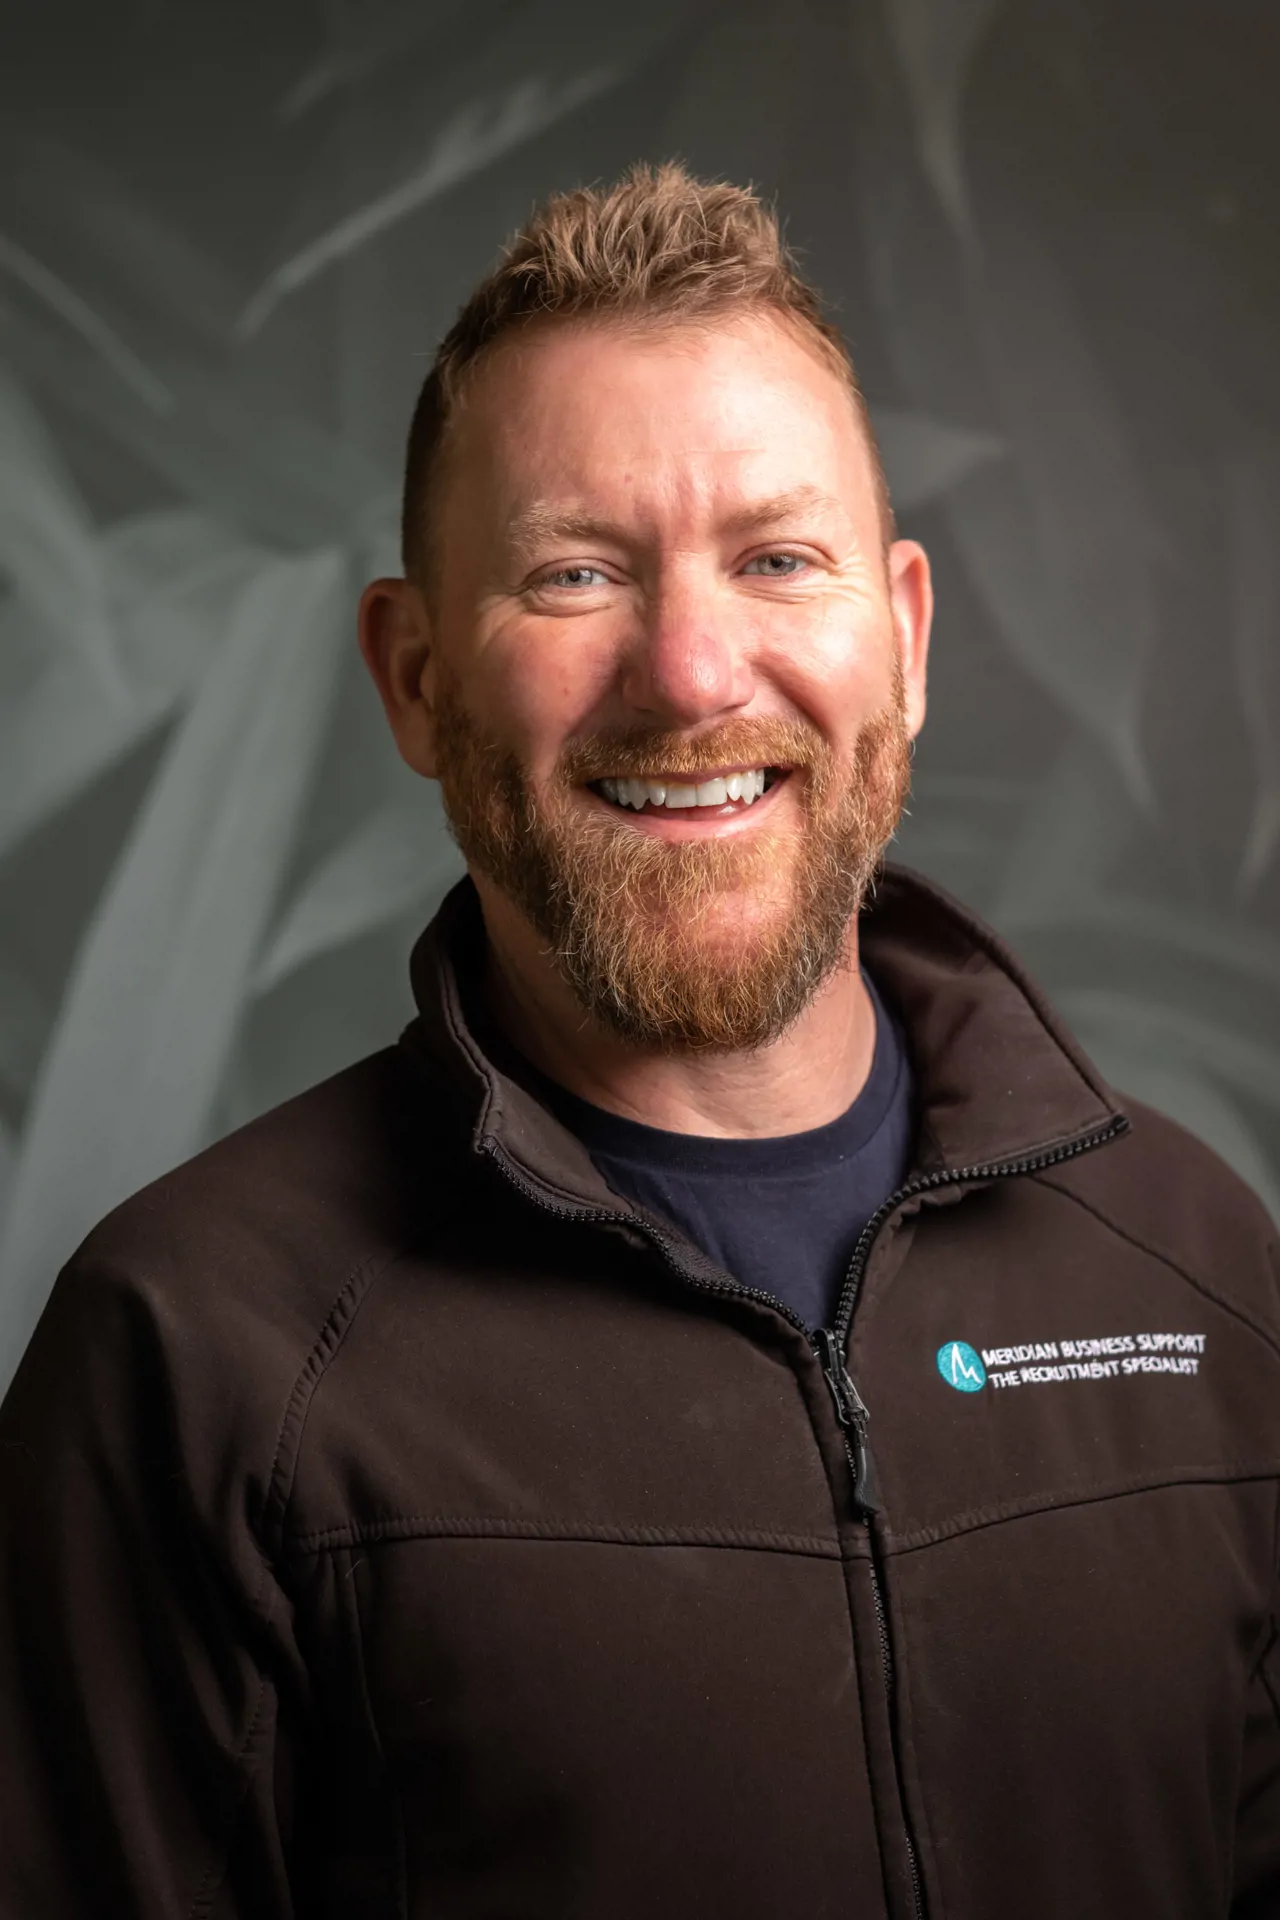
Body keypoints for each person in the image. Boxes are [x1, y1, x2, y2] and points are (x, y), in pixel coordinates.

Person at [1, 163, 1277, 1920]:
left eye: (778, 558)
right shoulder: (198, 1355)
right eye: (576, 573)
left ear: (898, 640)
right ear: (416, 676)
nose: (690, 674)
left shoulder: (1203, 1270)